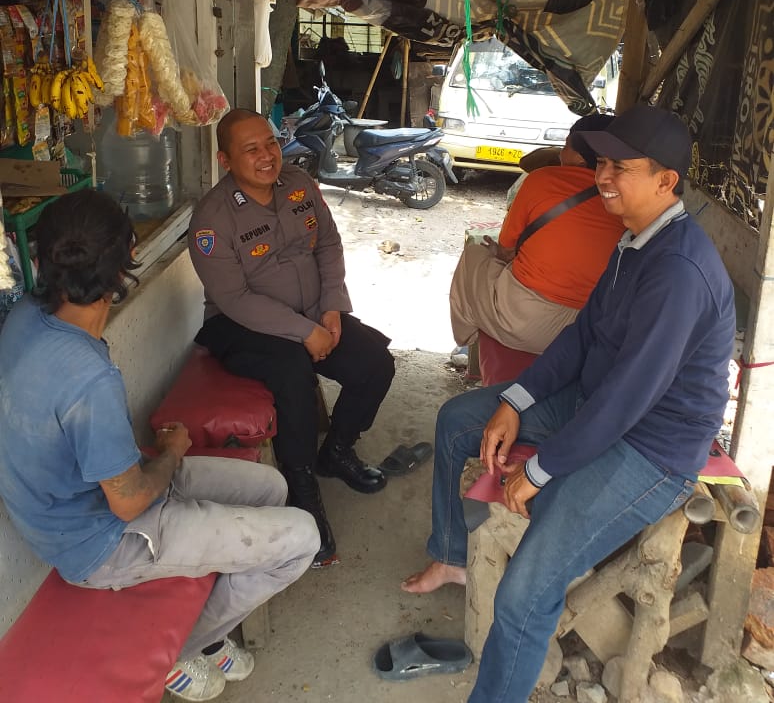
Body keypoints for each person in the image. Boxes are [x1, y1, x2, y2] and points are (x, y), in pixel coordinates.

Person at [402, 105, 736, 703]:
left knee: (524, 592)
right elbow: (583, 336)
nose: (603, 176)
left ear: (666, 181)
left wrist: (540, 469)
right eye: (602, 162)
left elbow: (627, 402)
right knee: (459, 420)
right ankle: (452, 557)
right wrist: (515, 401)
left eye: (621, 167)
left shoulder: (679, 271)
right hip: (595, 401)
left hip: (652, 448)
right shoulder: (635, 239)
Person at [0, 190, 320, 703]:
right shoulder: (87, 376)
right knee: (303, 538)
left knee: (271, 488)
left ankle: (207, 627)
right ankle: (189, 646)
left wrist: (161, 462)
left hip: (80, 502)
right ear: (126, 266)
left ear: (41, 260)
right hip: (97, 543)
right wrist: (172, 452)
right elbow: (127, 502)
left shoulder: (26, 318)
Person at [188, 109, 395, 568]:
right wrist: (305, 332)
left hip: (314, 313)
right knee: (293, 373)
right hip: (241, 325)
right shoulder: (211, 220)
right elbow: (235, 298)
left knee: (375, 362)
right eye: (251, 149)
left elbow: (328, 244)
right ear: (225, 160)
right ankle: (302, 492)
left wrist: (332, 307)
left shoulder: (299, 184)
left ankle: (337, 450)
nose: (267, 156)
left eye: (271, 143)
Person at [449, 112, 623, 354]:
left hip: (525, 324)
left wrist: (496, 254)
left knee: (474, 254)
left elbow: (507, 251)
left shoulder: (541, 179)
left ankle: (466, 343)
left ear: (581, 156)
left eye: (566, 146)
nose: (561, 153)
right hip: (588, 329)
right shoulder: (627, 196)